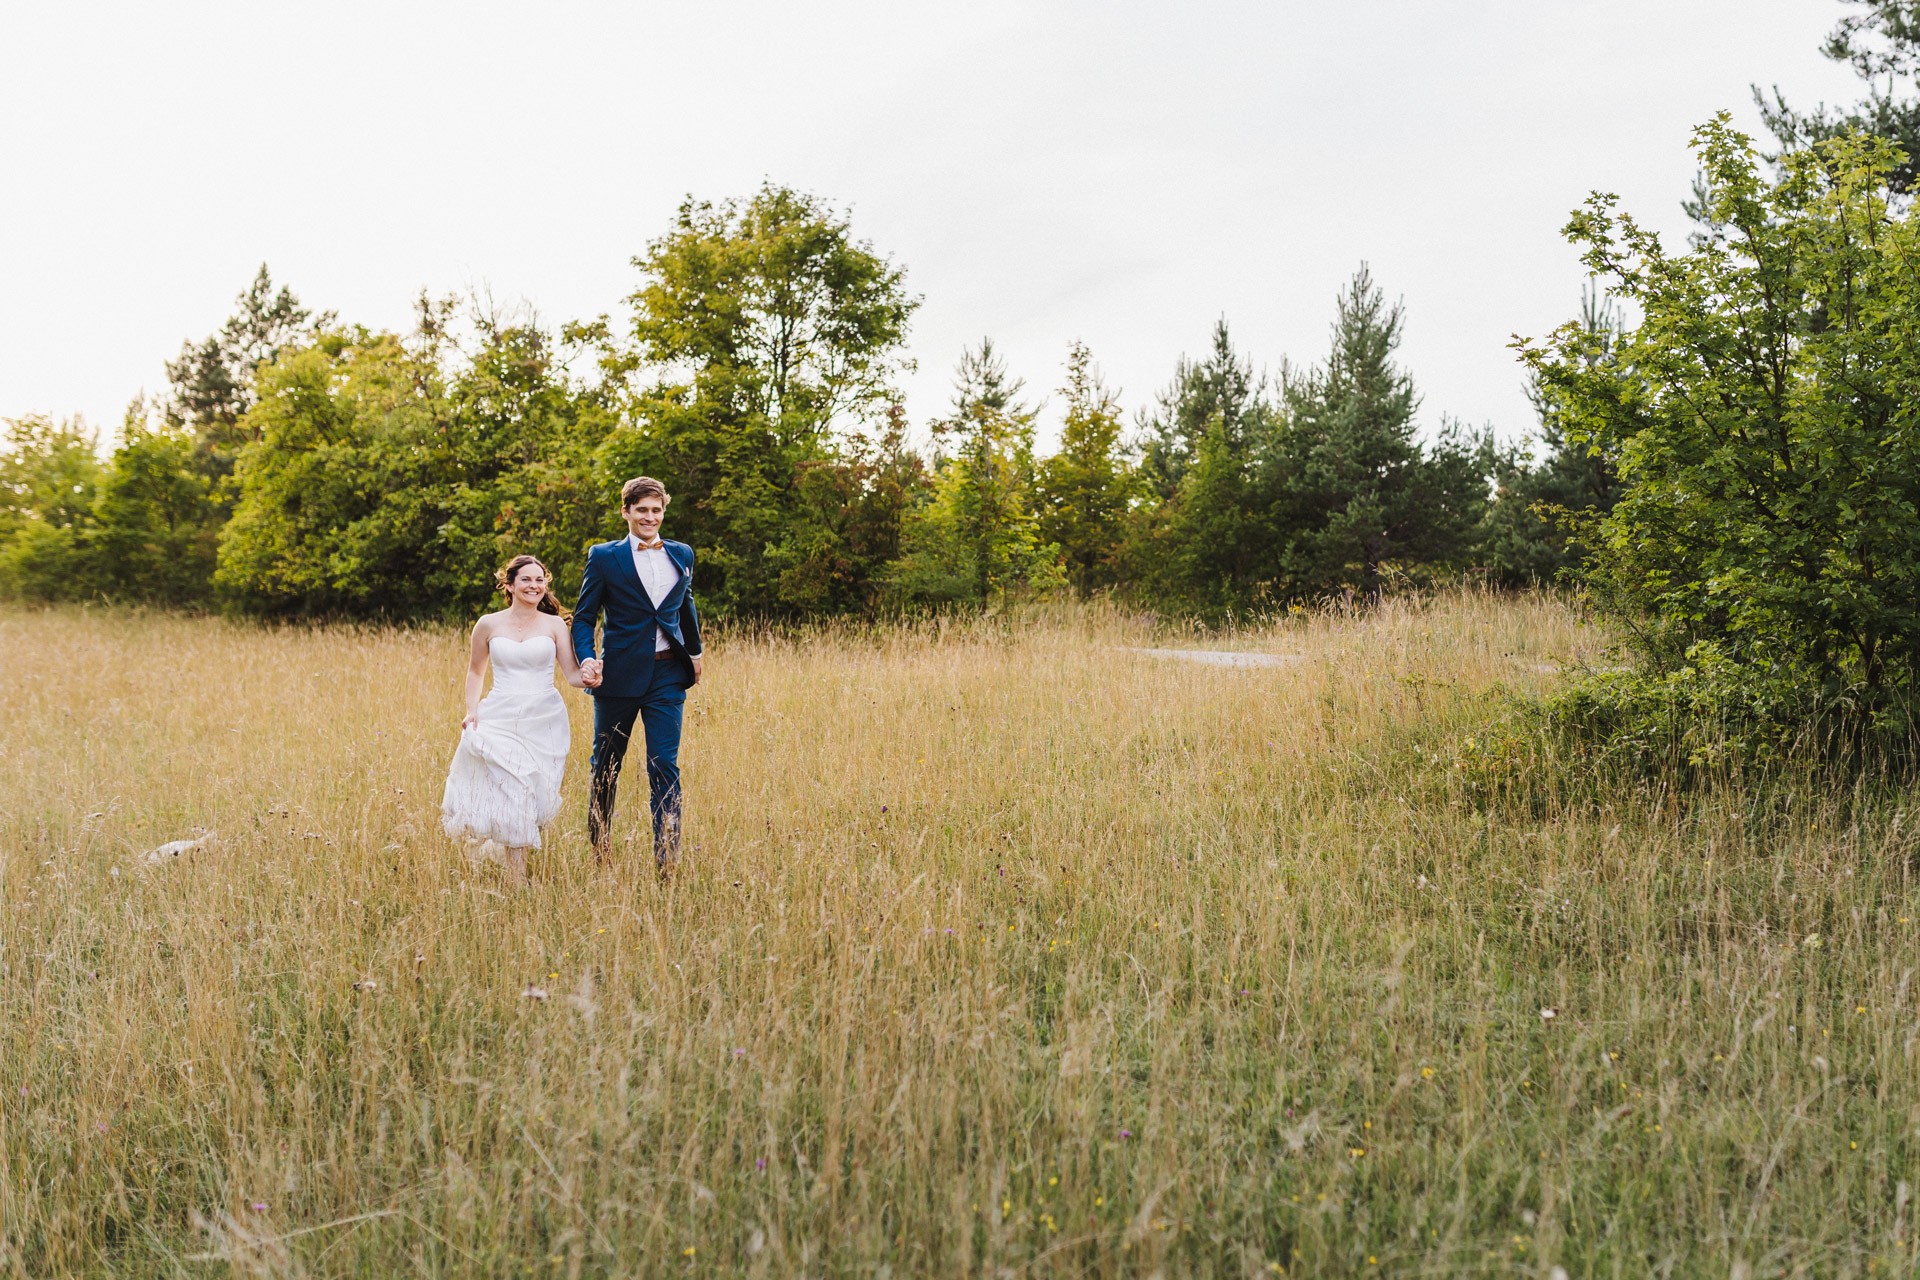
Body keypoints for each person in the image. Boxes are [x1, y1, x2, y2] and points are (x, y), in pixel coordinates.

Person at [571, 476, 704, 876]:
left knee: (664, 764)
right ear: (626, 511)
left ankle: (667, 860)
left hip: (667, 674)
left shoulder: (682, 553)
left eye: (656, 510)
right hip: (618, 677)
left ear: (664, 512)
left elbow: (686, 604)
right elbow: (584, 617)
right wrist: (587, 659)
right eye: (642, 510)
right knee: (606, 765)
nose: (650, 517)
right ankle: (600, 849)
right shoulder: (604, 557)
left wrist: (694, 652)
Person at [440, 555, 593, 886]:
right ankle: (517, 879)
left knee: (533, 795)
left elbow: (571, 675)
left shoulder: (554, 626)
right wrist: (472, 710)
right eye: (526, 580)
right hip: (500, 714)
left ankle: (515, 861)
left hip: (544, 718)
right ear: (508, 585)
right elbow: (475, 670)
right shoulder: (488, 624)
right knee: (514, 787)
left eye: (540, 580)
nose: (534, 586)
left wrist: (595, 673)